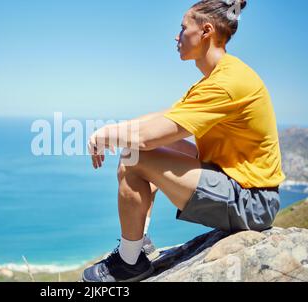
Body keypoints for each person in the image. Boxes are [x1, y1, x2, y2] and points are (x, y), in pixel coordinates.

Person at [82, 0, 285, 282]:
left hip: (252, 202)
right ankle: (137, 246)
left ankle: (129, 264)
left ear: (206, 31)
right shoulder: (218, 77)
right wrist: (117, 128)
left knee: (135, 157)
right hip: (237, 184)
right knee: (140, 149)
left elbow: (149, 135)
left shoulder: (226, 83)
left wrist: (105, 135)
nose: (176, 36)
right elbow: (166, 118)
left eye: (182, 28)